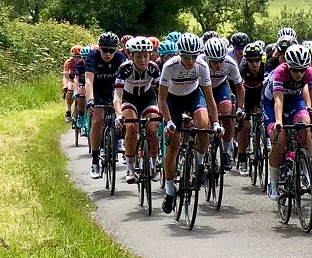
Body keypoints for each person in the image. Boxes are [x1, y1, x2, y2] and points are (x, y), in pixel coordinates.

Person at [158, 33, 221, 214]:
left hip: (193, 97)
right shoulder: (169, 67)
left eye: (194, 56)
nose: (191, 60)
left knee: (203, 125)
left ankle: (200, 164)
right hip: (172, 101)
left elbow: (210, 99)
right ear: (179, 54)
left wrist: (215, 123)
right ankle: (170, 190)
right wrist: (169, 121)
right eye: (186, 56)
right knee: (174, 142)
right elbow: (161, 99)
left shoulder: (202, 65)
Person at [263, 45, 312, 200]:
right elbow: (278, 100)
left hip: (293, 100)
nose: (299, 74)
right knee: (279, 140)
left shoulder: (310, 72)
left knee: (305, 127)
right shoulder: (280, 72)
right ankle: (272, 183)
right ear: (288, 66)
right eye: (295, 70)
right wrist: (278, 121)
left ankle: (306, 170)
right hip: (271, 102)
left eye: (302, 70)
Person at [112, 37, 163, 183]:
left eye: (146, 55)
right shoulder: (125, 68)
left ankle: (154, 164)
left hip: (148, 98)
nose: (143, 60)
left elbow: (161, 92)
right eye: (139, 56)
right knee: (132, 127)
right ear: (131, 56)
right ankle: (130, 167)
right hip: (129, 98)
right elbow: (118, 94)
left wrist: (164, 111)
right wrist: (118, 114)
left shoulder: (153, 68)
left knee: (153, 128)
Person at [84, 32, 129, 179]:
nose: (108, 54)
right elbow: (89, 82)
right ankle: (95, 160)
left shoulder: (121, 58)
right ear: (99, 49)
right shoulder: (92, 57)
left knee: (124, 112)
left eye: (112, 50)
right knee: (97, 120)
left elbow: (126, 82)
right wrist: (90, 100)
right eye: (105, 50)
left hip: (114, 89)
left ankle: (121, 137)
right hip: (97, 90)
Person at [201, 38, 246, 170]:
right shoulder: (200, 61)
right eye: (214, 61)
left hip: (221, 87)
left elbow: (239, 88)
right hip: (202, 88)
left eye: (221, 60)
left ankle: (226, 152)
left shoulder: (230, 63)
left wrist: (239, 108)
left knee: (227, 112)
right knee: (205, 120)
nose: (219, 64)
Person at [234, 43, 267, 174]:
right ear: (246, 60)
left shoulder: (265, 68)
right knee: (245, 126)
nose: (254, 64)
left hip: (260, 95)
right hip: (246, 96)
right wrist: (241, 109)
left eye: (257, 60)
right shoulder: (241, 69)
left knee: (264, 117)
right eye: (251, 60)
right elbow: (240, 89)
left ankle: (263, 137)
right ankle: (242, 157)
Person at [63, 45, 83, 123]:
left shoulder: (84, 61)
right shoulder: (68, 62)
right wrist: (65, 86)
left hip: (81, 79)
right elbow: (66, 77)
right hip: (71, 79)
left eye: (80, 57)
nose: (78, 59)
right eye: (76, 57)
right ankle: (68, 111)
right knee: (70, 89)